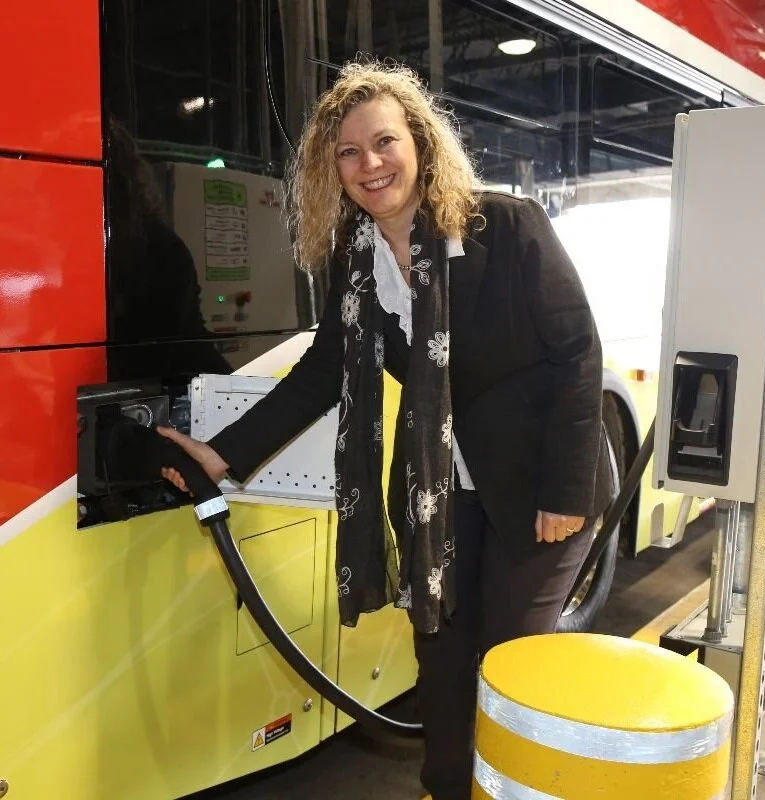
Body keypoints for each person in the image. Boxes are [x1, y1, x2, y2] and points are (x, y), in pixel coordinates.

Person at [158, 61, 613, 800]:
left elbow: (576, 356)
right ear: (331, 170)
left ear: (421, 145)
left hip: (539, 488)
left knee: (511, 660)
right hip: (442, 493)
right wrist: (221, 455)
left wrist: (565, 492)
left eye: (384, 142)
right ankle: (443, 789)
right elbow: (319, 374)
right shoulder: (359, 262)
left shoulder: (507, 226)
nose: (371, 164)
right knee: (439, 652)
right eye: (348, 152)